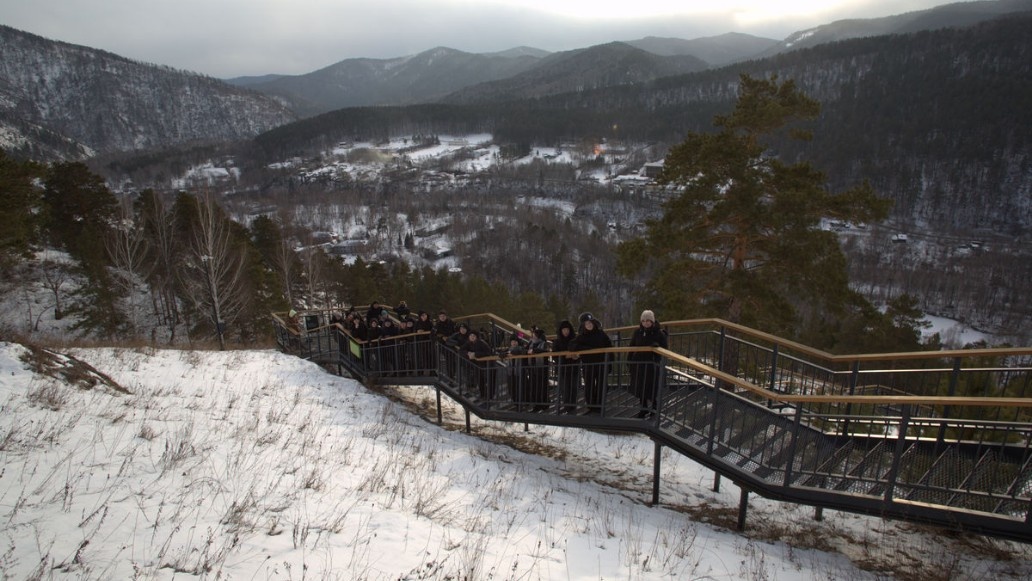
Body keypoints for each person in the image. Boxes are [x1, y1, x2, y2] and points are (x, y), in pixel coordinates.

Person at [627, 309, 668, 418]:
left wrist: (657, 346)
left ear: (652, 321)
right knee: (640, 386)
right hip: (639, 363)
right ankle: (643, 408)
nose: (645, 322)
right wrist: (629, 360)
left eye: (648, 320)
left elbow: (665, 348)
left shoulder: (659, 333)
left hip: (652, 364)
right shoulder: (638, 332)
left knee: (652, 386)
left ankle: (654, 408)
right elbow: (632, 346)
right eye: (643, 320)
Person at [572, 312, 612, 414]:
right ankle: (591, 406)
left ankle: (600, 405)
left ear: (593, 323)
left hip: (602, 364)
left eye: (590, 323)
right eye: (586, 324)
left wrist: (610, 363)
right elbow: (572, 346)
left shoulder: (601, 333)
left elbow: (609, 346)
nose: (589, 325)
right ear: (583, 326)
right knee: (589, 386)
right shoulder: (582, 336)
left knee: (601, 385)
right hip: (588, 365)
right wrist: (587, 349)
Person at [552, 320, 579, 414]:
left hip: (574, 368)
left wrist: (576, 357)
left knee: (573, 387)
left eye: (567, 329)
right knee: (565, 388)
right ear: (561, 331)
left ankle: (573, 406)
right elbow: (555, 355)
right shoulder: (557, 342)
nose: (566, 331)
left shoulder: (575, 340)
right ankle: (567, 406)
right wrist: (566, 356)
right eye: (564, 330)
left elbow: (579, 352)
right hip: (562, 368)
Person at [462, 329, 496, 401]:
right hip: (478, 365)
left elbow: (488, 353)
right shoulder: (468, 343)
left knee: (489, 380)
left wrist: (475, 354)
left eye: (474, 336)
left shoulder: (482, 343)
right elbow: (461, 350)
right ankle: (482, 394)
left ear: (476, 337)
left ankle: (490, 396)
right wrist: (468, 353)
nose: (472, 337)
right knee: (480, 380)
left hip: (488, 364)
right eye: (470, 336)